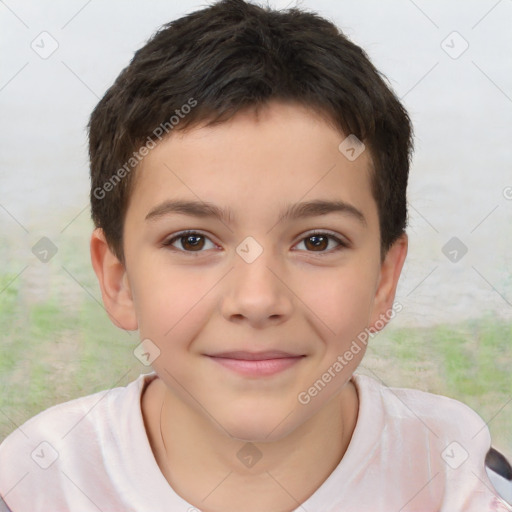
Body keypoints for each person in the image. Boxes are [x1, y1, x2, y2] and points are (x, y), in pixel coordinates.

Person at [0, 0, 510, 510]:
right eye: (192, 241)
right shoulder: (34, 487)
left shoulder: (463, 484)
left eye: (317, 241)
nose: (258, 299)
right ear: (119, 280)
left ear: (383, 280)